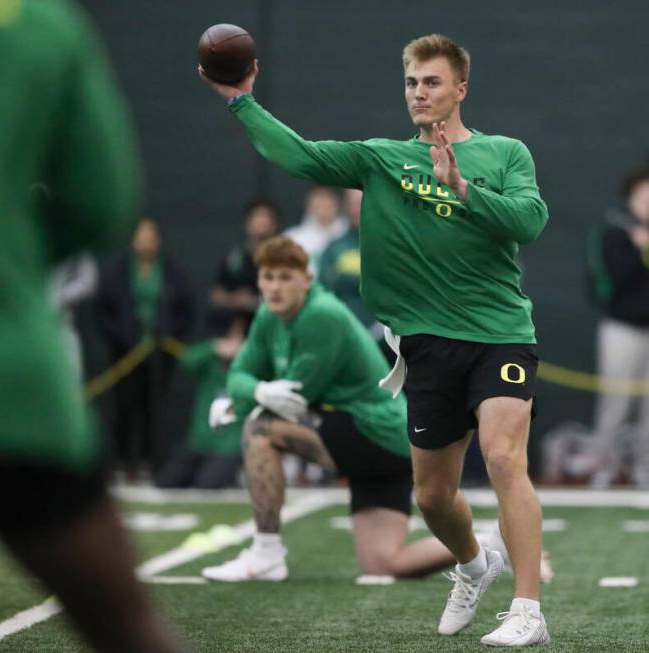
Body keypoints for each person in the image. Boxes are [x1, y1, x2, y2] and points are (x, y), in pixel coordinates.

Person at [200, 33, 550, 646]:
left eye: (433, 81)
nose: (420, 92)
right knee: (433, 497)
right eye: (413, 82)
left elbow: (530, 220)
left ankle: (527, 610)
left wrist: (464, 187)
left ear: (461, 88)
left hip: (500, 334)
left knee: (501, 458)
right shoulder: (380, 158)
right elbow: (302, 155)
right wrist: (240, 101)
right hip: (424, 346)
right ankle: (473, 566)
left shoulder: (504, 152)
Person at [0, 1, 182, 650]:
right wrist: (7, 263)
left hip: (13, 360)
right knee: (130, 627)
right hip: (2, 367)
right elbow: (103, 202)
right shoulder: (39, 24)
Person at [201, 238, 542, 584]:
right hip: (366, 441)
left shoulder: (322, 314)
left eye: (285, 277)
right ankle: (491, 544)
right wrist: (255, 390)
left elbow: (298, 394)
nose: (275, 287)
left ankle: (267, 552)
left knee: (259, 430)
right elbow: (240, 374)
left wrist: (245, 398)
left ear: (307, 279)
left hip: (376, 433)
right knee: (383, 563)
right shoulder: (266, 316)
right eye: (268, 277)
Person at [587, 167, 649, 488]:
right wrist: (637, 249)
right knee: (617, 400)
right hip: (622, 327)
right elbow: (610, 281)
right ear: (638, 189)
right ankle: (605, 466)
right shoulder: (614, 228)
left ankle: (648, 467)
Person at [97, 217, 195, 478]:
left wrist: (166, 333)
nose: (145, 242)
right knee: (124, 406)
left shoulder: (172, 271)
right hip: (125, 353)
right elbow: (103, 309)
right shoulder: (117, 271)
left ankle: (153, 462)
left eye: (151, 236)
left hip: (160, 354)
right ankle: (122, 462)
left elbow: (185, 309)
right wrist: (121, 335)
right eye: (141, 236)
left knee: (154, 408)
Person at [155, 315, 247, 489]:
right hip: (199, 440)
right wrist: (213, 347)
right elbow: (187, 361)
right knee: (167, 481)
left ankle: (235, 472)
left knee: (208, 484)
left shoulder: (249, 363)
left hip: (229, 444)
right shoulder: (209, 363)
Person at [317, 188, 379, 335]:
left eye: (360, 203)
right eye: (352, 204)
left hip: (382, 333)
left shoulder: (386, 246)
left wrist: (344, 277)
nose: (356, 209)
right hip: (341, 329)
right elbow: (323, 287)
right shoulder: (334, 246)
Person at [211, 197, 280, 326]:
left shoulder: (284, 259)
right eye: (257, 217)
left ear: (274, 225)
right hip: (240, 328)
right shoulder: (234, 260)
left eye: (266, 218)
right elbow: (216, 295)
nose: (262, 223)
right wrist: (234, 299)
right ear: (247, 223)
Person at [283, 185, 347, 272]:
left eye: (328, 197)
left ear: (338, 203)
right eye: (319, 197)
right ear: (308, 203)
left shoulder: (352, 234)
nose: (324, 203)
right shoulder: (292, 238)